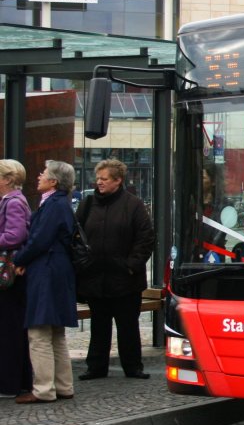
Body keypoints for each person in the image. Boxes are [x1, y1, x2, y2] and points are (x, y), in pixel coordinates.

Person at [76, 159, 156, 380]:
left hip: (125, 279)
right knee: (99, 325)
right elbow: (76, 234)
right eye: (98, 178)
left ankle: (132, 366)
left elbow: (145, 238)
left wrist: (131, 266)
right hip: (95, 277)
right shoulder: (88, 203)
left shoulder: (133, 205)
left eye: (104, 179)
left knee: (128, 325)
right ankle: (96, 366)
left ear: (118, 180)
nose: (99, 183)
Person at [12, 160, 78, 403]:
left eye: (44, 173)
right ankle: (63, 386)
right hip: (56, 270)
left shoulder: (54, 204)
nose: (39, 176)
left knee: (39, 333)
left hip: (47, 271)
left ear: (54, 181)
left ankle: (43, 390)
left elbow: (40, 239)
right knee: (55, 332)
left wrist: (19, 259)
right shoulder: (60, 203)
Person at [0, 160, 32, 398]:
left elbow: (15, 235)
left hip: (10, 277)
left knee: (9, 329)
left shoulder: (13, 202)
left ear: (8, 179)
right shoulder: (11, 201)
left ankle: (10, 384)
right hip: (10, 275)